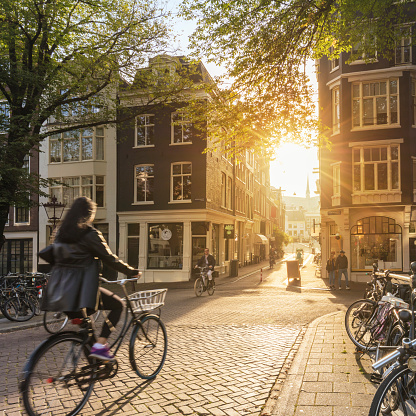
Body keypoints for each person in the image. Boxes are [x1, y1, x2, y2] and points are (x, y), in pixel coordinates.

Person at [41, 197, 139, 361]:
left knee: (87, 329)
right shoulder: (90, 234)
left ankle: (93, 365)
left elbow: (58, 259)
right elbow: (110, 259)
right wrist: (131, 272)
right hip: (79, 291)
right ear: (89, 215)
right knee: (118, 305)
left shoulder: (60, 234)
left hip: (58, 291)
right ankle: (100, 346)